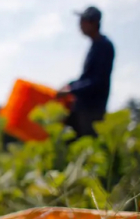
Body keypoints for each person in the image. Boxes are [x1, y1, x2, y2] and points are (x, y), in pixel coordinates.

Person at [58, 6, 115, 138]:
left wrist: (71, 90)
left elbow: (97, 81)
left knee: (88, 147)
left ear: (94, 23)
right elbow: (86, 77)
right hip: (82, 107)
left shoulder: (104, 46)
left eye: (83, 21)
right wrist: (70, 85)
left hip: (92, 109)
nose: (80, 25)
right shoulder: (95, 45)